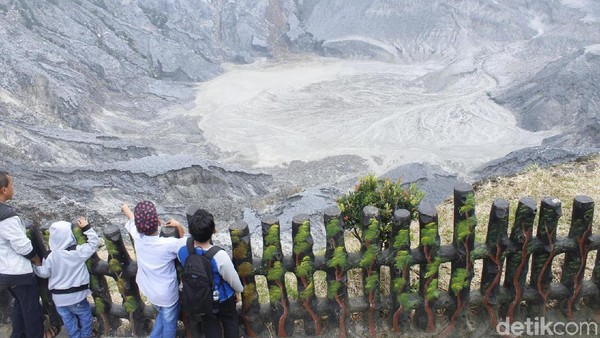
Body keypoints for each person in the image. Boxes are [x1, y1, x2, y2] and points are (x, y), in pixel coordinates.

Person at [120, 201, 186, 338]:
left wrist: (125, 209)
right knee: (169, 323)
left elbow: (132, 220)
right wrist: (179, 226)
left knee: (162, 314)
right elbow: (186, 245)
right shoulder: (168, 244)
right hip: (167, 295)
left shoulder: (138, 237)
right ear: (158, 221)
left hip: (149, 290)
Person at [177, 209, 244, 338]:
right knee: (230, 321)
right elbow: (232, 278)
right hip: (223, 298)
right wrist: (239, 289)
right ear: (213, 230)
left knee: (210, 325)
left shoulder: (183, 252)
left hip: (202, 298)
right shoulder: (219, 256)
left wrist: (178, 227)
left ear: (190, 231)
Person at [34, 217, 99, 338]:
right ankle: (85, 335)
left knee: (69, 321)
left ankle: (74, 336)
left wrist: (36, 266)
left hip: (59, 299)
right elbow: (94, 243)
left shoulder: (49, 256)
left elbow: (44, 273)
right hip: (77, 296)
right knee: (85, 317)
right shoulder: (77, 252)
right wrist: (87, 228)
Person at [0, 171, 46, 338]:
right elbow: (22, 245)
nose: (13, 188)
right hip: (17, 272)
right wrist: (36, 259)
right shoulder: (6, 216)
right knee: (32, 311)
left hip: (3, 271)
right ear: (4, 189)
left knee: (19, 307)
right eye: (11, 185)